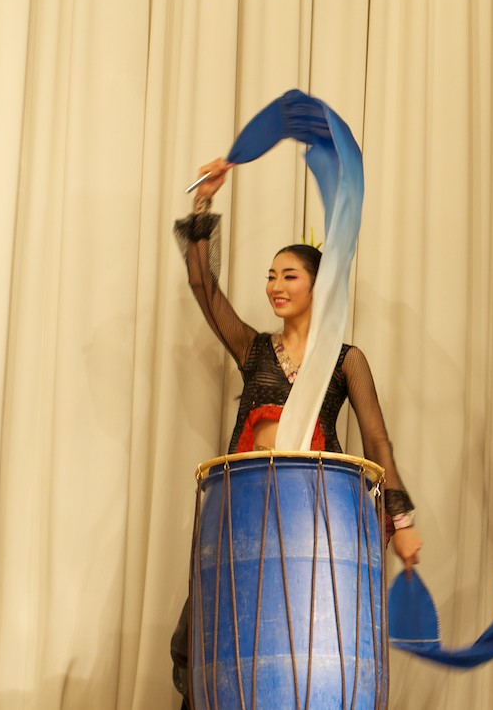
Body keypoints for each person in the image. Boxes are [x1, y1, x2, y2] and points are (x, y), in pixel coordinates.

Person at [168, 158, 422, 707]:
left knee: (304, 652)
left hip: (314, 522)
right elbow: (202, 285)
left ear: (318, 286)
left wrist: (400, 521)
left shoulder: (345, 360)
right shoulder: (253, 347)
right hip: (245, 516)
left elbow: (377, 444)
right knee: (227, 644)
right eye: (270, 275)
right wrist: (203, 203)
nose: (275, 286)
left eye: (289, 275)